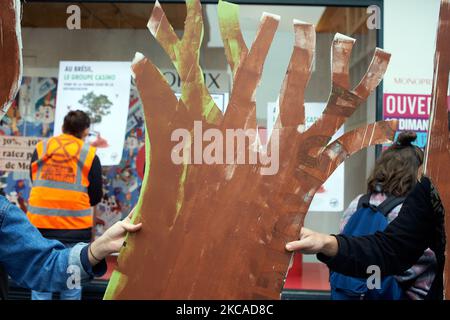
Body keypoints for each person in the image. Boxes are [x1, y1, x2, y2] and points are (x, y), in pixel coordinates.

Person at [286, 175, 445, 300]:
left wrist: (328, 242)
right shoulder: (430, 189)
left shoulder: (359, 200)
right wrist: (327, 243)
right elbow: (390, 249)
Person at [331, 132, 436, 300]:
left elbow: (343, 244)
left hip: (351, 291)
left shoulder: (358, 202)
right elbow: (422, 259)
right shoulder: (410, 210)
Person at [0, 197, 141, 300]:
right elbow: (95, 196)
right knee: (70, 291)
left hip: (45, 231)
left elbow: (44, 265)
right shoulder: (88, 157)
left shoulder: (39, 154)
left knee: (45, 293)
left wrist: (98, 248)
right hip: (74, 233)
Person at [27, 110, 103, 300]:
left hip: (39, 227)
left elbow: (34, 180)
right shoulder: (89, 154)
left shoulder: (42, 148)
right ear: (85, 131)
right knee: (71, 285)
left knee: (41, 284)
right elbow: (95, 196)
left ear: (62, 127)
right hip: (75, 229)